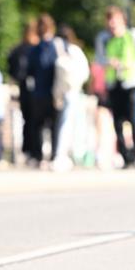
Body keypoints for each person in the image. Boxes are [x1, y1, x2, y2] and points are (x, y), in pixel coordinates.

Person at [95, 6, 135, 168]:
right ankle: (124, 155)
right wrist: (109, 62)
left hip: (131, 81)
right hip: (114, 82)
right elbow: (99, 58)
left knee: (133, 118)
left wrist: (133, 65)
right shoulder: (104, 38)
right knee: (118, 120)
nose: (113, 26)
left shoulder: (133, 35)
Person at [52, 24, 90, 171]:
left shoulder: (70, 51)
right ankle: (72, 155)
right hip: (72, 92)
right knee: (72, 124)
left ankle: (69, 154)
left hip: (71, 92)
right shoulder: (70, 51)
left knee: (69, 124)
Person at [26, 14, 61, 166]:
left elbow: (29, 71)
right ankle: (53, 156)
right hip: (52, 92)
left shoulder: (35, 50)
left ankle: (40, 156)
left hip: (40, 92)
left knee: (39, 126)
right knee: (52, 126)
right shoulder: (57, 46)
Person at [7, 21, 39, 161]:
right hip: (34, 88)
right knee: (34, 121)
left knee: (27, 120)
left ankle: (27, 150)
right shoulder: (36, 48)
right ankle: (33, 151)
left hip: (23, 88)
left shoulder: (18, 49)